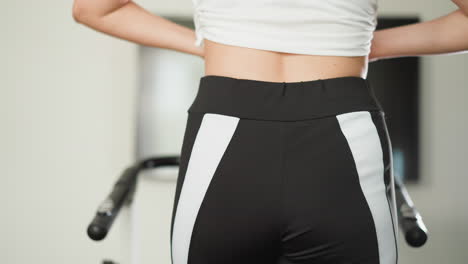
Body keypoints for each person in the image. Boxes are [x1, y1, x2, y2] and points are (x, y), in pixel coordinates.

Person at [72, 1, 468, 263]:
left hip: (226, 129)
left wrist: (209, 45)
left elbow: (93, 8)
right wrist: (365, 45)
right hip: (344, 133)